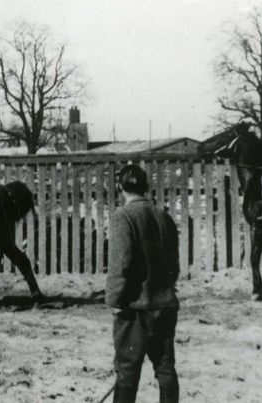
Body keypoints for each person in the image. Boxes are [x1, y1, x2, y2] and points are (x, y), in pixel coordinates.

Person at [106, 164, 180, 403]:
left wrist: (115, 301)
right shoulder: (163, 216)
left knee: (127, 371)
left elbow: (121, 266)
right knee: (166, 368)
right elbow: (174, 266)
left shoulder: (123, 216)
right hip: (165, 305)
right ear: (145, 186)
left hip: (135, 309)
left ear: (120, 187)